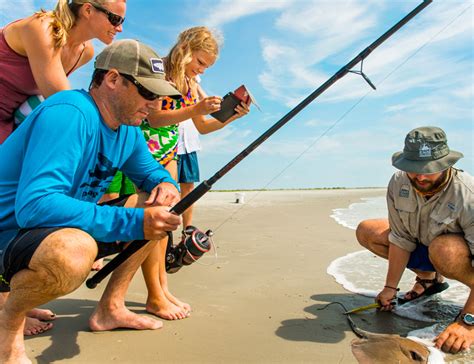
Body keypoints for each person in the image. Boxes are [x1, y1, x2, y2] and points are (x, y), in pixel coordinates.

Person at [0, 39, 183, 363]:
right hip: (8, 235)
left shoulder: (126, 130)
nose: (155, 105)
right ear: (112, 79)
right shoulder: (70, 113)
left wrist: (167, 186)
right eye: (148, 93)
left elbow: (153, 173)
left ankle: (111, 308)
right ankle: (6, 329)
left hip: (36, 233)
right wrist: (133, 222)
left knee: (155, 209)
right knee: (74, 252)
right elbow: (36, 206)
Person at [102, 26, 250, 320]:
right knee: (150, 224)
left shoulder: (192, 83)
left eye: (207, 67)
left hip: (168, 154)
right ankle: (154, 296)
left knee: (165, 226)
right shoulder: (161, 74)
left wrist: (231, 116)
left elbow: (204, 126)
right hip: (144, 152)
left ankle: (161, 289)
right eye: (200, 62)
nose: (202, 70)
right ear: (185, 49)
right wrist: (196, 108)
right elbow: (155, 119)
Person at [356, 126, 474, 354]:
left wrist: (468, 321)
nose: (420, 176)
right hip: (425, 248)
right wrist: (390, 288)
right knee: (367, 230)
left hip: (457, 256)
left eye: (428, 170)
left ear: (445, 163)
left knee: (444, 249)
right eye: (413, 168)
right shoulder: (399, 182)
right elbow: (400, 238)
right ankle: (428, 280)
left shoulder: (468, 195)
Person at [0, 0, 126, 144]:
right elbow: (65, 103)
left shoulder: (85, 52)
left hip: (10, 120)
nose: (120, 28)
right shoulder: (42, 28)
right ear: (88, 10)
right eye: (115, 19)